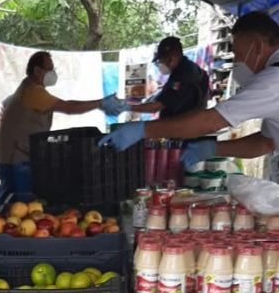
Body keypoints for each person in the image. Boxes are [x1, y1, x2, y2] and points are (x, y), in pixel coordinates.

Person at [99, 12, 279, 179]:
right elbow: (266, 143)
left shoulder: (272, 82)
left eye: (238, 55)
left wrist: (142, 129)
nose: (237, 62)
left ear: (257, 47)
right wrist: (213, 148)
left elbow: (209, 121)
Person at [0, 50, 124, 202]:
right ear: (37, 70)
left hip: (10, 154)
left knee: (10, 201)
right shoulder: (33, 91)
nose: (53, 73)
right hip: (15, 158)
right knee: (17, 204)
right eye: (49, 69)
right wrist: (100, 103)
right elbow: (69, 107)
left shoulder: (27, 88)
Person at [127, 36, 210, 118]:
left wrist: (128, 107)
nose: (160, 64)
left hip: (182, 126)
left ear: (171, 59)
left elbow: (157, 106)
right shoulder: (189, 68)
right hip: (188, 123)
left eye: (160, 61)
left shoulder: (183, 75)